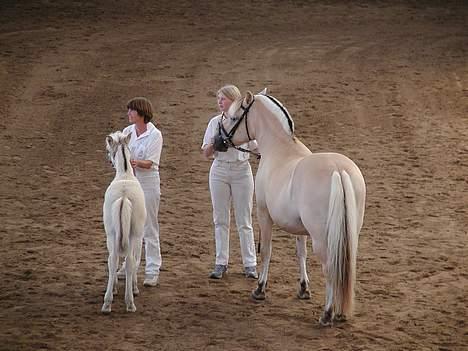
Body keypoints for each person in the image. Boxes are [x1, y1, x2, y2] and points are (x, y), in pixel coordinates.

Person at [201, 84, 258, 279]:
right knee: (220, 219)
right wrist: (214, 143)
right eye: (218, 99)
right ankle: (221, 262)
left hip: (242, 171)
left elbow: (256, 148)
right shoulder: (214, 123)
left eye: (223, 99)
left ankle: (250, 264)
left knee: (244, 219)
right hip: (220, 171)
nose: (219, 102)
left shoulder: (244, 122)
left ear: (233, 101)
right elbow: (206, 154)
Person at [117, 97, 163, 287]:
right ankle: (127, 264)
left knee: (149, 226)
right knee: (128, 225)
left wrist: (134, 162)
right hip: (130, 181)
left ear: (141, 113)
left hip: (148, 181)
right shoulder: (127, 132)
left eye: (132, 111)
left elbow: (151, 162)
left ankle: (152, 269)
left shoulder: (155, 135)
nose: (129, 114)